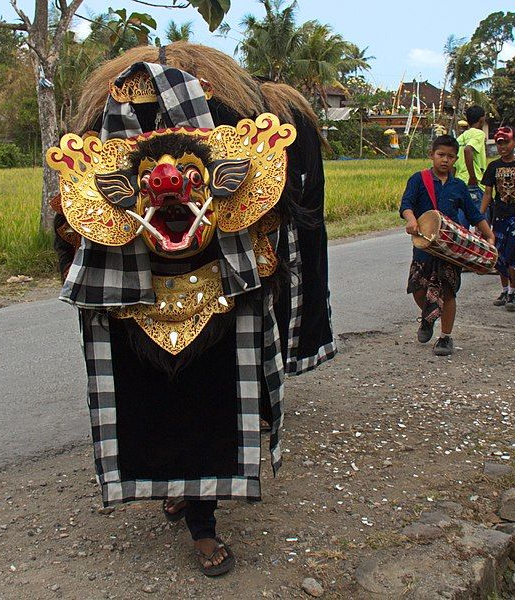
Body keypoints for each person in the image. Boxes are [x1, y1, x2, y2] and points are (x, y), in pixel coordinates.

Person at [51, 45, 337, 577]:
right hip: (136, 299)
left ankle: (201, 520)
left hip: (217, 297)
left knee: (209, 405)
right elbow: (75, 229)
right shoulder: (110, 173)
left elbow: (263, 227)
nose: (167, 185)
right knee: (157, 407)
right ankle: (180, 491)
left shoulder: (237, 157)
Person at [400, 135, 495, 356]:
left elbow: (473, 214)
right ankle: (428, 317)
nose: (445, 160)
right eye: (441, 155)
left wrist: (489, 236)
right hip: (424, 247)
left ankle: (445, 337)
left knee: (448, 293)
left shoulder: (458, 186)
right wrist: (411, 219)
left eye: (450, 157)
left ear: (456, 159)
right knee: (417, 289)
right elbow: (406, 205)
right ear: (431, 155)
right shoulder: (418, 179)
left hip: (451, 250)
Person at [481, 126, 515, 311]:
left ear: (514, 143)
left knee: (514, 254)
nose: (502, 147)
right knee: (499, 256)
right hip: (499, 217)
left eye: (506, 142)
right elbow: (487, 193)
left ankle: (513, 291)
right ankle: (504, 290)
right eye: (499, 143)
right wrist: (480, 218)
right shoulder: (493, 166)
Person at [454, 105, 487, 228]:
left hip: (461, 183)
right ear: (482, 119)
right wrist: (472, 176)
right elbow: (468, 150)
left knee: (462, 228)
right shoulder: (479, 134)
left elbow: (454, 163)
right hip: (476, 183)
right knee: (483, 227)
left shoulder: (460, 138)